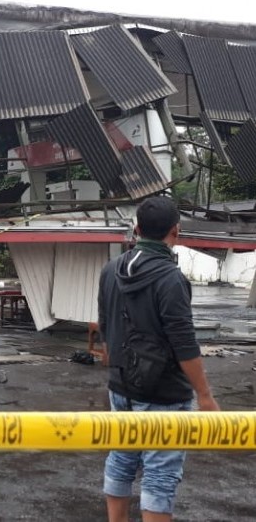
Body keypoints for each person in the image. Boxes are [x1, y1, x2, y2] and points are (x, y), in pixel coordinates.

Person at [97, 195, 219, 522]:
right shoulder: (170, 278)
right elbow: (184, 343)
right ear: (175, 231)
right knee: (160, 473)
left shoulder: (110, 270)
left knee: (121, 457)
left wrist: (119, 369)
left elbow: (105, 331)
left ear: (136, 229)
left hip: (120, 387)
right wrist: (205, 396)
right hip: (163, 393)